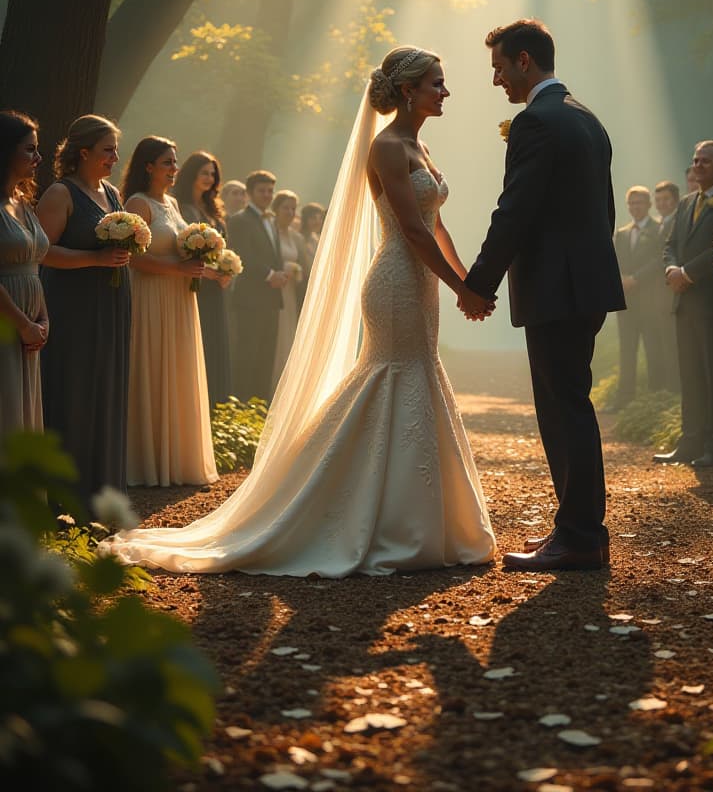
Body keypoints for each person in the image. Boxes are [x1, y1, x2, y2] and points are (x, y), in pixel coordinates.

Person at [107, 46, 495, 577]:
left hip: (423, 282)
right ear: (408, 90)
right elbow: (409, 228)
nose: (445, 91)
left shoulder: (420, 148)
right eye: (437, 83)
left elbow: (437, 226)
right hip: (396, 282)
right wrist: (461, 289)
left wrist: (465, 281)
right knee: (390, 377)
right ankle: (363, 513)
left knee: (417, 377)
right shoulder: (386, 147)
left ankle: (425, 518)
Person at [463, 19, 624, 571]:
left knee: (563, 410)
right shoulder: (586, 118)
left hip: (556, 286)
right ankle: (579, 530)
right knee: (570, 404)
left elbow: (516, 210)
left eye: (499, 68)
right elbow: (603, 209)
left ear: (524, 61)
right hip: (588, 284)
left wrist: (478, 282)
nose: (496, 81)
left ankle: (579, 536)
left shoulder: (536, 121)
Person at [36, 115, 131, 508]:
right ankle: (67, 498)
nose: (114, 157)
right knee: (74, 391)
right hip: (73, 307)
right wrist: (96, 259)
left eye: (115, 149)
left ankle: (101, 490)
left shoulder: (111, 193)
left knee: (106, 389)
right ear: (84, 151)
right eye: (108, 150)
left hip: (110, 305)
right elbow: (40, 251)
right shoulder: (61, 193)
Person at [121, 137, 217, 488]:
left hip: (179, 300)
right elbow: (131, 256)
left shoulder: (173, 204)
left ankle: (177, 459)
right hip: (151, 297)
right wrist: (178, 269)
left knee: (177, 368)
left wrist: (197, 259)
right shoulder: (137, 202)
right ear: (148, 166)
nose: (175, 169)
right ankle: (146, 462)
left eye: (175, 163)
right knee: (153, 366)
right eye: (167, 163)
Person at [656, 141, 713, 467]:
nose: (698, 166)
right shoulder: (687, 202)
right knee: (690, 375)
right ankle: (690, 442)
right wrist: (672, 269)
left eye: (705, 161)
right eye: (695, 160)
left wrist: (688, 272)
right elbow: (670, 244)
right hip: (683, 301)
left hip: (712, 300)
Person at [0, 111, 48, 437]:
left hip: (30, 326)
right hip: (7, 323)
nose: (38, 157)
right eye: (29, 149)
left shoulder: (23, 202)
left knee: (23, 413)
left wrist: (43, 320)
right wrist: (22, 324)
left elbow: (34, 268)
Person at [175, 151, 233, 407]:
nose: (210, 178)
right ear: (191, 174)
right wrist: (205, 271)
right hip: (193, 283)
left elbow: (222, 250)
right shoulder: (181, 207)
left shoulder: (212, 210)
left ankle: (213, 403)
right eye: (204, 173)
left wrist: (226, 270)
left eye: (213, 174)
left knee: (214, 340)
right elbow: (179, 247)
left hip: (214, 286)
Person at [227, 170, 286, 403]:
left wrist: (280, 274)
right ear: (250, 193)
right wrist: (270, 274)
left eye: (270, 191)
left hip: (271, 299)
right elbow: (243, 254)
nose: (267, 195)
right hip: (250, 299)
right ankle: (240, 406)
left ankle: (258, 407)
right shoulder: (240, 220)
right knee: (248, 356)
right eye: (262, 190)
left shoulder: (271, 221)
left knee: (266, 357)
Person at [613, 186, 664, 407]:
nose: (635, 207)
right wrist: (620, 279)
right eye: (631, 204)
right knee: (627, 351)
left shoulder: (659, 230)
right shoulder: (622, 234)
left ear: (649, 204)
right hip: (627, 302)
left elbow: (660, 259)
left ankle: (654, 397)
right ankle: (624, 399)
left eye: (639, 203)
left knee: (653, 349)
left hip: (650, 301)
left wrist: (636, 278)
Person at [270, 189, 311, 388]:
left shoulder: (297, 238)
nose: (290, 212)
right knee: (275, 337)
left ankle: (285, 385)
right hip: (274, 290)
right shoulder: (270, 232)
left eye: (293, 209)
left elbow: (303, 264)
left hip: (291, 292)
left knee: (289, 335)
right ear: (276, 209)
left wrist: (297, 271)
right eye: (285, 207)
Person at [653, 180, 681, 393]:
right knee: (662, 343)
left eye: (666, 199)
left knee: (674, 344)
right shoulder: (658, 223)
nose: (661, 204)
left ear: (675, 200)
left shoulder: (678, 222)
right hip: (656, 296)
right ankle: (668, 387)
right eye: (658, 200)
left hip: (672, 291)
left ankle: (675, 388)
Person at [299, 201, 326, 276]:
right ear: (305, 219)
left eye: (320, 218)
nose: (317, 222)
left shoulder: (318, 239)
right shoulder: (297, 238)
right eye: (313, 218)